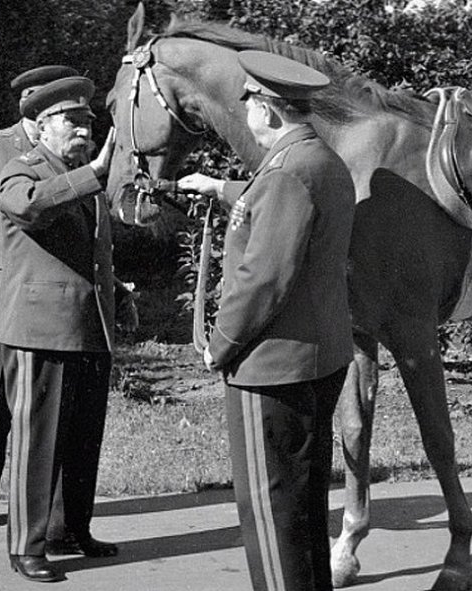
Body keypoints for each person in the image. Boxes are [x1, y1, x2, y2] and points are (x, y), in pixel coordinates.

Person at [177, 51, 356, 591]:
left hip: (270, 365)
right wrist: (219, 188)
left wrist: (220, 344)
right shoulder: (318, 159)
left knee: (271, 508)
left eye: (249, 102)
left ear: (268, 109)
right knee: (301, 503)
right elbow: (275, 205)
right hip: (316, 357)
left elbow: (263, 279)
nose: (246, 113)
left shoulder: (285, 172)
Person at [0, 75, 136, 582]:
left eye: (88, 122)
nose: (84, 130)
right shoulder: (22, 169)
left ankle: (69, 529)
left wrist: (119, 295)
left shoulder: (83, 179)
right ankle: (26, 546)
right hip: (39, 331)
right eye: (71, 121)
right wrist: (94, 173)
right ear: (40, 127)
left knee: (81, 440)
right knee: (38, 442)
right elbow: (28, 207)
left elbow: (84, 254)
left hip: (87, 327)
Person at [0, 65, 79, 534]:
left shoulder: (71, 148)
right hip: (3, 296)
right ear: (27, 103)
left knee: (51, 407)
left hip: (55, 302)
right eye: (37, 96)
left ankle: (50, 513)